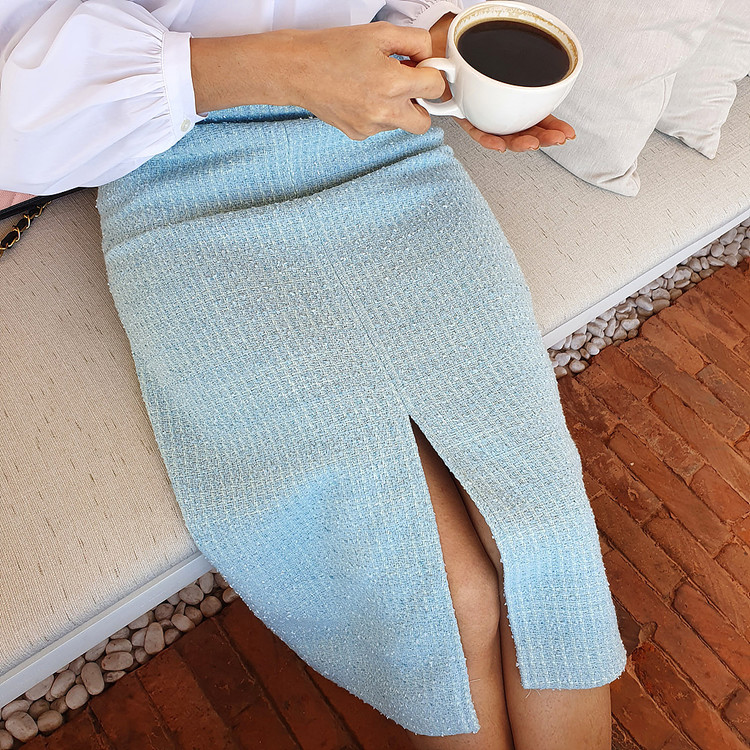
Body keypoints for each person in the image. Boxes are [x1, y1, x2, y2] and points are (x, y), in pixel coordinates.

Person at [0, 2, 627, 748]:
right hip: (179, 184)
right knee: (448, 600)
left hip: (385, 150)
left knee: (544, 541)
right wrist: (291, 66)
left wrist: (443, 56)